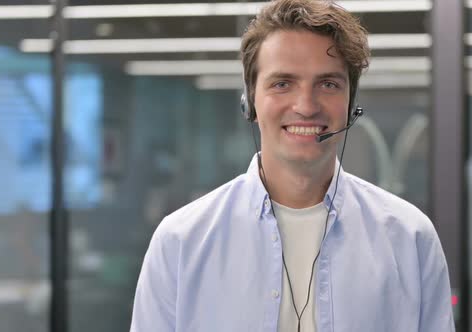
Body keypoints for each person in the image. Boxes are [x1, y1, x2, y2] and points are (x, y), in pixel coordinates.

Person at [130, 0, 455, 331]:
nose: (305, 106)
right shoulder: (181, 242)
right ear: (250, 101)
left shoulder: (409, 238)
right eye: (282, 83)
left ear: (350, 104)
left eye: (328, 84)